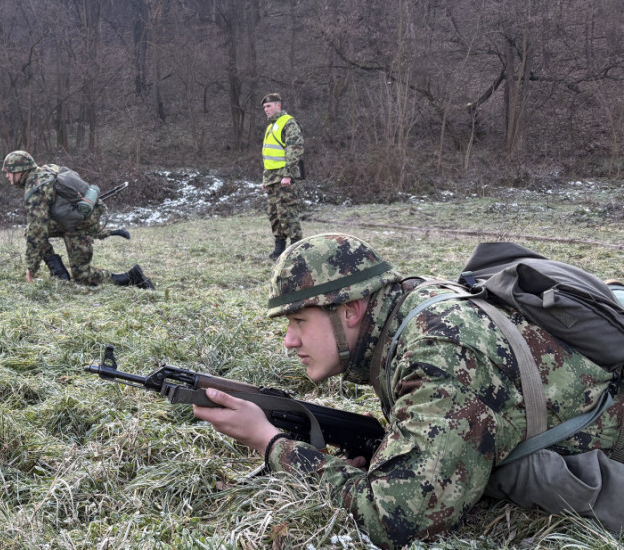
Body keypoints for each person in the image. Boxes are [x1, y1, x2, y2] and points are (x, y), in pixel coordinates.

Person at [194, 233, 624, 548]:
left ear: (351, 310)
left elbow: (396, 519)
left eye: (299, 321)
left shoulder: (440, 354)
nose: (289, 340)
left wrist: (271, 444)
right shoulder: (411, 309)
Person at [1, 150, 153, 289]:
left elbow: (37, 231)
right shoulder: (48, 169)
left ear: (20, 171)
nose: (7, 176)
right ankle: (60, 275)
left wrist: (31, 267)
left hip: (80, 224)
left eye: (8, 172)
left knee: (82, 276)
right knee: (32, 233)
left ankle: (133, 277)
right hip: (77, 218)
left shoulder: (36, 189)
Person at [260, 93, 305, 260]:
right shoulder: (271, 127)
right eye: (264, 107)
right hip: (272, 178)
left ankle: (297, 249)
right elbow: (268, 155)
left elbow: (295, 149)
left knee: (288, 213)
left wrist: (287, 175)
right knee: (274, 214)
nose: (266, 110)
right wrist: (265, 179)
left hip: (284, 177)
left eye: (269, 106)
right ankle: (279, 249)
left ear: (278, 105)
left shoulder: (288, 122)